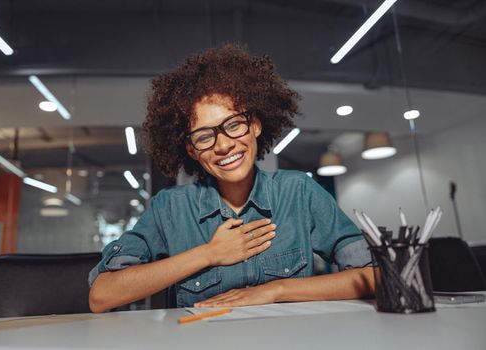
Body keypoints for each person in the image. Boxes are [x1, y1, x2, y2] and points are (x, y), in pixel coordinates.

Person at [88, 45, 374, 312]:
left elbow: (376, 276)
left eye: (234, 125)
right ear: (192, 150)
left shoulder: (298, 192)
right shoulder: (170, 208)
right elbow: (102, 295)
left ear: (256, 125)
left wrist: (277, 290)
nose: (223, 145)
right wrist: (209, 253)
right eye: (204, 135)